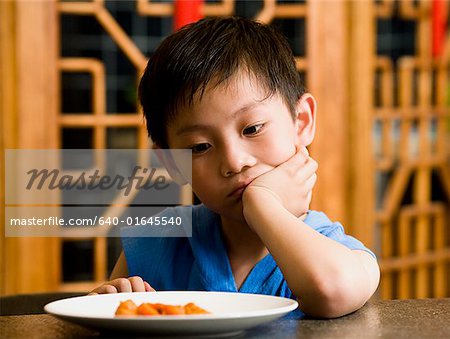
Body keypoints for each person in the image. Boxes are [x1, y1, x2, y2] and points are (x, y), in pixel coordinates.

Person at [90, 16, 380, 318]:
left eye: (252, 129)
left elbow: (332, 292)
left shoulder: (336, 250)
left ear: (302, 121)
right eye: (200, 147)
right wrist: (105, 304)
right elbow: (114, 312)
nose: (234, 162)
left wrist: (262, 205)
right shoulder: (158, 240)